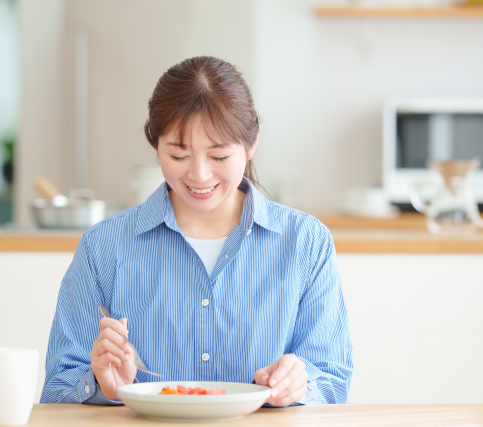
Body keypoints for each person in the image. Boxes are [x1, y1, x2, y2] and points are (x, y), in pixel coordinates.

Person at [41, 56, 353, 406]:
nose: (199, 176)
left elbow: (332, 381)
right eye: (178, 156)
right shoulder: (103, 247)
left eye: (219, 157)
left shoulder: (307, 243)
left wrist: (301, 385)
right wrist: (103, 386)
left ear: (251, 143)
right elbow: (56, 391)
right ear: (155, 145)